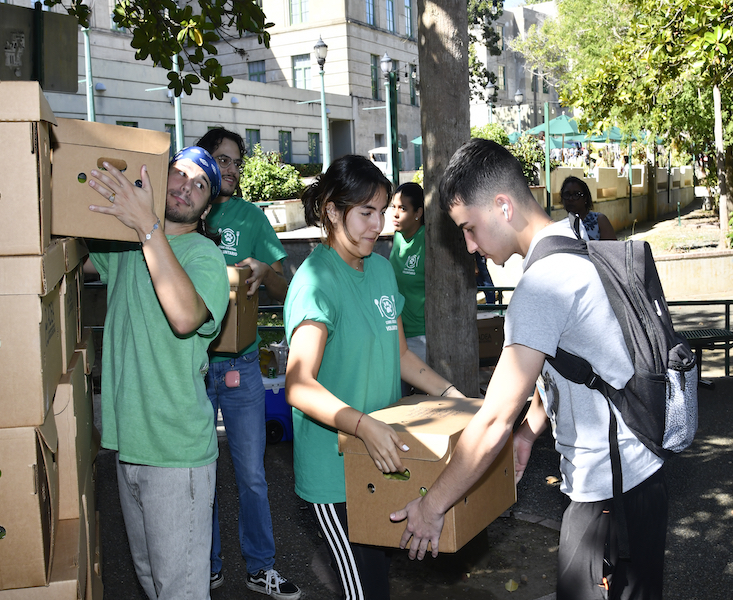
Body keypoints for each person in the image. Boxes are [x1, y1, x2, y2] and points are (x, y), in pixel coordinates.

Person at [391, 139, 667, 600]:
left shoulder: (540, 287)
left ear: (502, 206)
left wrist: (432, 505)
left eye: (470, 228)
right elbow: (576, 363)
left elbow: (494, 417)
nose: (470, 245)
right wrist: (529, 432)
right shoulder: (575, 247)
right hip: (637, 480)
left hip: (609, 492)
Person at [284, 155, 467, 600]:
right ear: (332, 210)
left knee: (378, 582)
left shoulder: (382, 269)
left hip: (383, 458)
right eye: (366, 212)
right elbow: (298, 384)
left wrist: (454, 398)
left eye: (382, 212)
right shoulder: (315, 281)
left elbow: (400, 354)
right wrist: (363, 425)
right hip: (336, 469)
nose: (378, 225)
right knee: (364, 590)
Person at [85, 147, 230, 600]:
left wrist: (147, 228)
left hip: (177, 453)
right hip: (129, 447)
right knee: (153, 584)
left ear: (207, 208)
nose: (186, 186)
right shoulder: (130, 246)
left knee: (181, 592)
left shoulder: (203, 256)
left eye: (201, 185)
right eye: (179, 173)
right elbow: (76, 260)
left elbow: (185, 317)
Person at [195, 127, 300, 600]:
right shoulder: (184, 216)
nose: (232, 169)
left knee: (252, 474)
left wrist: (263, 270)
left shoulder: (252, 217)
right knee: (201, 474)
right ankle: (208, 566)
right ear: (203, 162)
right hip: (191, 367)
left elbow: (286, 286)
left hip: (242, 366)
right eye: (222, 159)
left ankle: (260, 567)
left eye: (237, 161)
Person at [389, 182, 426, 392]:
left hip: (422, 339)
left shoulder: (428, 241)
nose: (394, 214)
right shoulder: (398, 236)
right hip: (396, 335)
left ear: (418, 213)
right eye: (393, 207)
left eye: (402, 208)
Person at [560, 176, 616, 240]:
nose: (571, 199)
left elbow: (612, 248)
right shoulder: (563, 225)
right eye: (567, 195)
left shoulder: (599, 220)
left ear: (585, 198)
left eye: (576, 195)